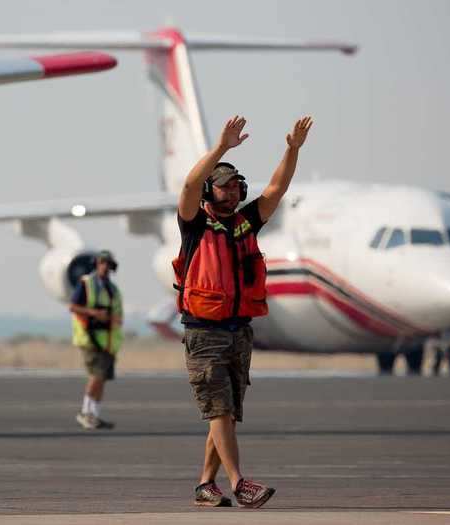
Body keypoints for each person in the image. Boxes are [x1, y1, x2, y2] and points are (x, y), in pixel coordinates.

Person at [174, 115, 313, 508]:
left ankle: (205, 484)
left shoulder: (245, 225)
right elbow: (187, 185)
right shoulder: (194, 224)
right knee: (219, 408)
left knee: (227, 414)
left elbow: (276, 188)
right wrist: (220, 148)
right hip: (204, 331)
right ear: (209, 191)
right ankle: (238, 481)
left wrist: (292, 150)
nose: (233, 194)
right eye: (224, 187)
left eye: (237, 187)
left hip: (239, 331)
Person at [70, 250, 123, 430]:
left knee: (102, 378)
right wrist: (95, 313)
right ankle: (85, 412)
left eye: (108, 263)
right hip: (90, 338)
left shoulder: (112, 289)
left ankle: (94, 414)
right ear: (96, 264)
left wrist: (112, 319)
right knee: (96, 376)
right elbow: (73, 306)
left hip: (108, 341)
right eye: (102, 262)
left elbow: (117, 315)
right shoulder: (87, 283)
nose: (105, 267)